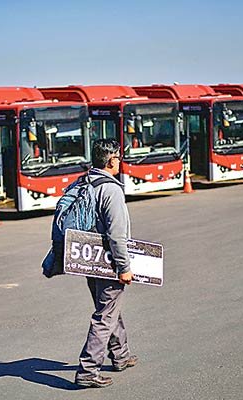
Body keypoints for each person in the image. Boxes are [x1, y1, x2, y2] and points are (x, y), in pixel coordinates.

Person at [75, 138, 137, 389]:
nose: (120, 161)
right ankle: (88, 370)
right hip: (109, 260)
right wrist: (124, 267)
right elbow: (116, 234)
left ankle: (120, 355)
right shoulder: (111, 189)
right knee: (105, 315)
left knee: (109, 308)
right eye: (118, 157)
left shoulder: (84, 182)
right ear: (111, 160)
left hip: (88, 259)